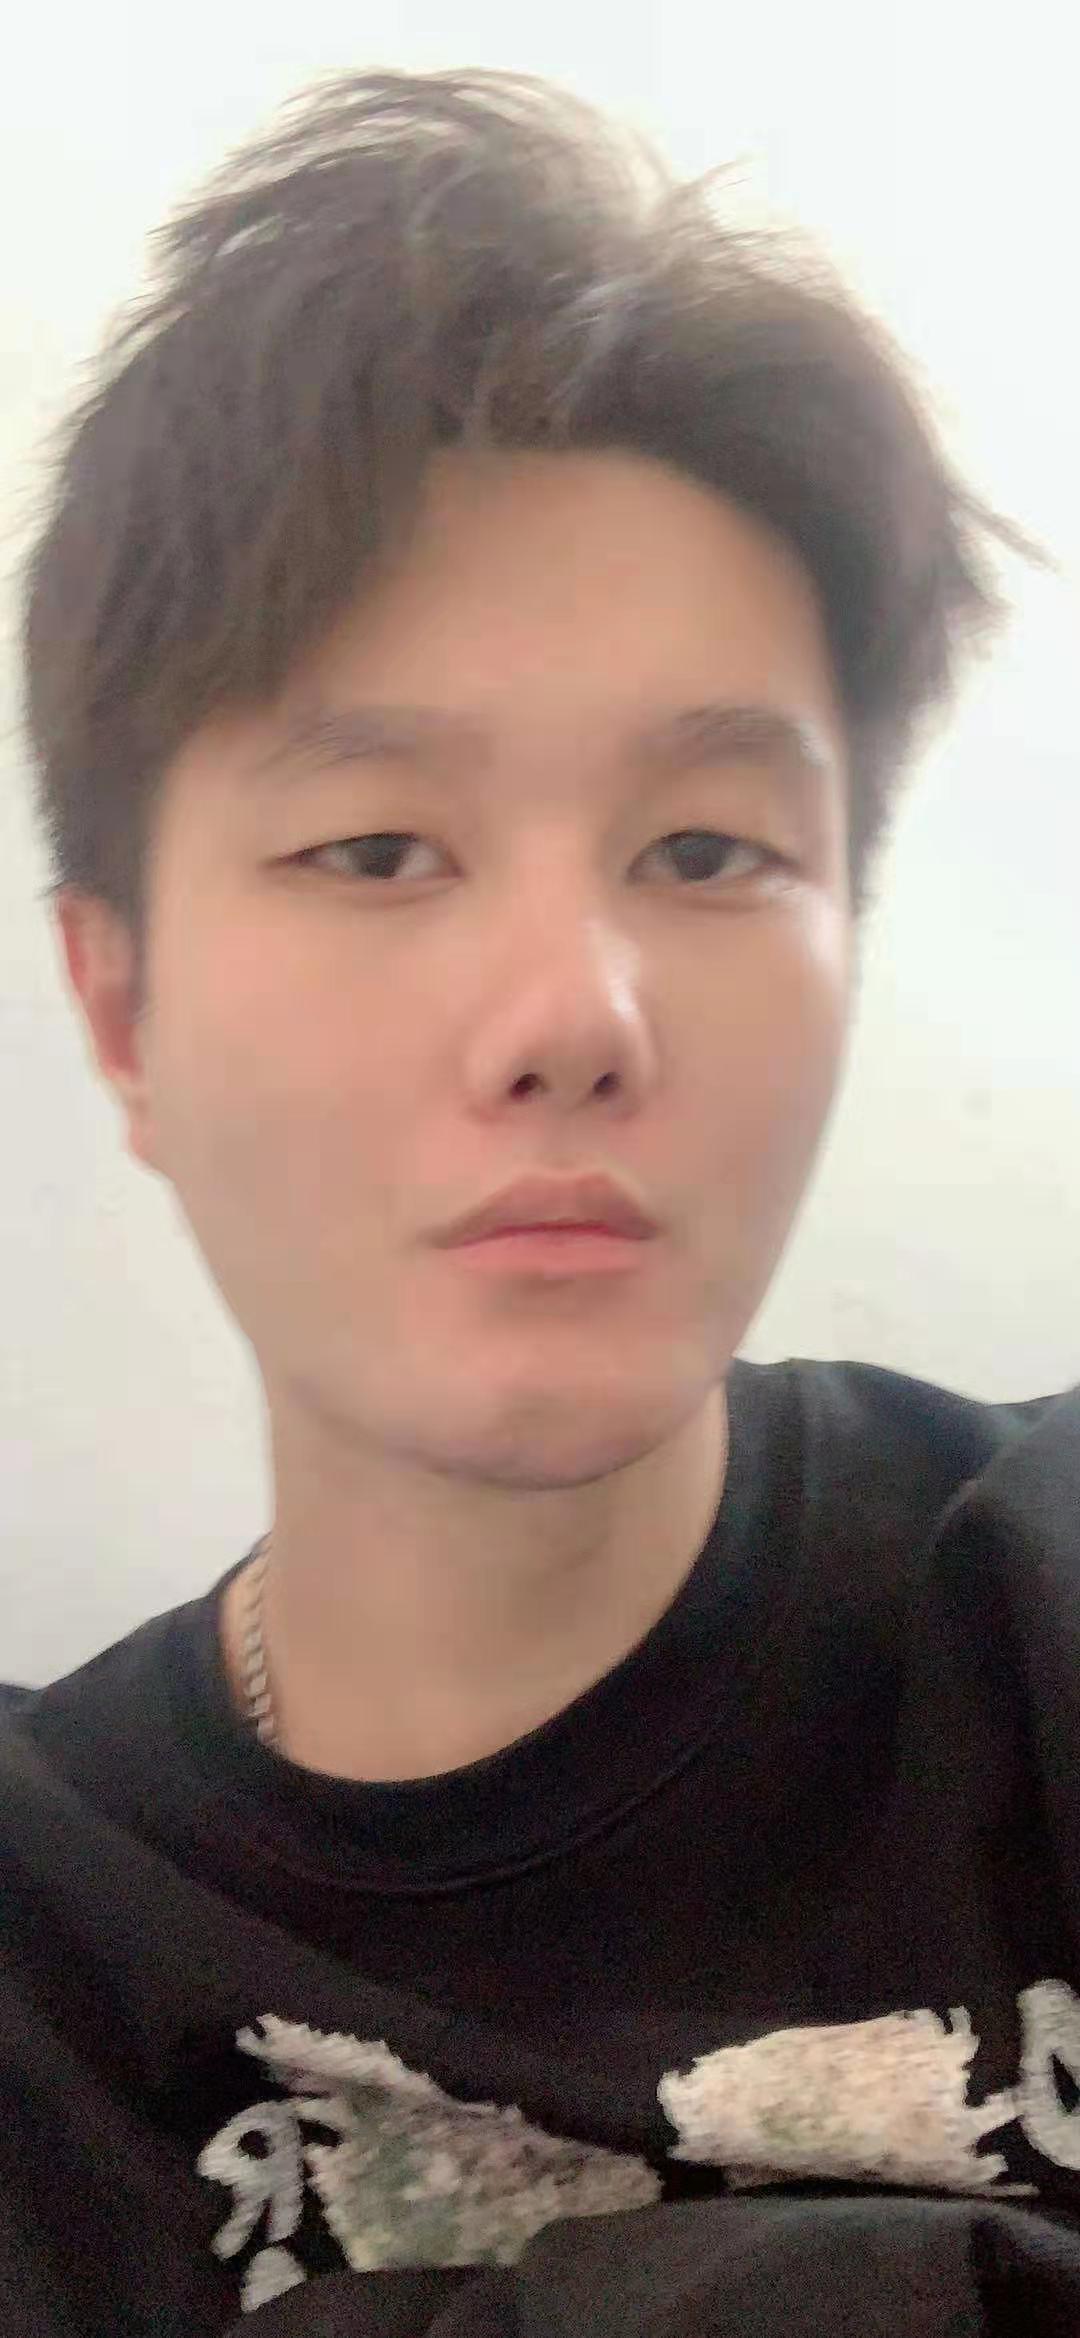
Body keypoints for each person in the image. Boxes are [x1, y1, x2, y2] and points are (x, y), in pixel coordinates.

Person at [2, 63, 1077, 2338]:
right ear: (121, 1011)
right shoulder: (38, 1978)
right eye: (378, 846)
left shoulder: (1047, 1625)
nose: (573, 1013)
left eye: (706, 848)